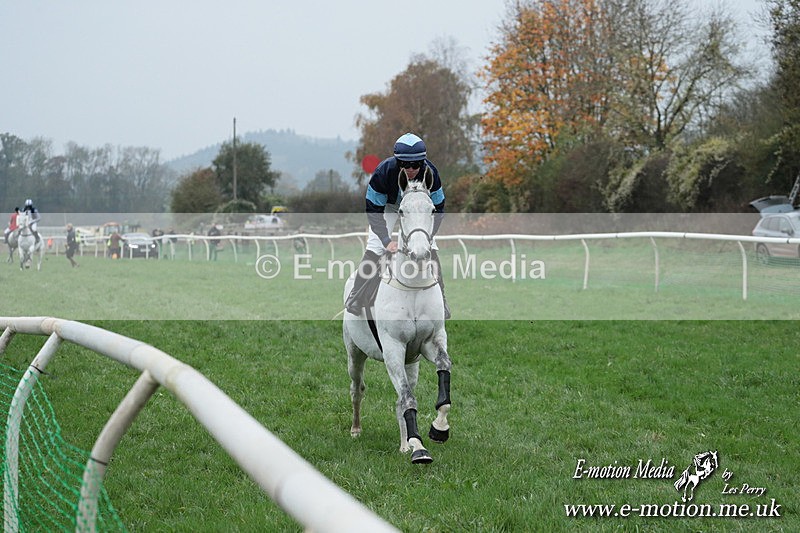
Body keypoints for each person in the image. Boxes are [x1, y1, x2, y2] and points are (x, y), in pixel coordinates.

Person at [345, 132, 450, 318]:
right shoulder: (382, 173)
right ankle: (356, 295)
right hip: (388, 206)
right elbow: (374, 212)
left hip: (417, 207)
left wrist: (428, 236)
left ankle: (442, 298)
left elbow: (439, 209)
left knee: (431, 247)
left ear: (422, 162)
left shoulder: (431, 173)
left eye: (416, 164)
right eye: (405, 164)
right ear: (397, 161)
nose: (410, 169)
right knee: (375, 246)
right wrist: (386, 240)